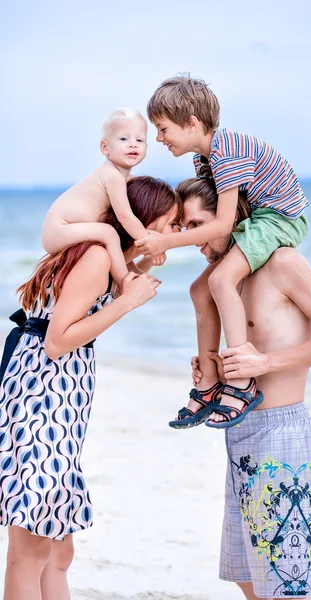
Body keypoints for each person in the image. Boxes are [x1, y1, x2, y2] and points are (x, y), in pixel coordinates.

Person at [175, 174, 311, 598]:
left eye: (197, 225)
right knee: (246, 574)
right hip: (241, 433)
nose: (193, 240)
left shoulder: (283, 262)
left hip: (284, 434)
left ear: (229, 216)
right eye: (184, 230)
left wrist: (264, 362)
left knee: (286, 585)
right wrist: (217, 371)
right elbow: (252, 354)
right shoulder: (227, 280)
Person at [0, 176, 181, 600]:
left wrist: (145, 264)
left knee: (58, 551)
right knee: (30, 548)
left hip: (57, 396)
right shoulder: (98, 257)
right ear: (141, 220)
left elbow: (124, 280)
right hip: (42, 396)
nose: (177, 234)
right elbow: (58, 340)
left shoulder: (107, 257)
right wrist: (126, 303)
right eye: (171, 224)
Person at [136, 75, 309, 427]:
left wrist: (166, 242)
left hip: (279, 218)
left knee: (221, 282)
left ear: (192, 123)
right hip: (256, 218)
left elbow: (221, 225)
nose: (159, 138)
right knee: (199, 288)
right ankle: (210, 381)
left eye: (163, 128)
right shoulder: (206, 160)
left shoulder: (225, 153)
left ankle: (241, 379)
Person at [41, 108, 165, 291]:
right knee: (108, 232)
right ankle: (124, 283)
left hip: (68, 229)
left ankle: (134, 274)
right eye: (124, 139)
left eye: (139, 140)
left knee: (113, 237)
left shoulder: (126, 179)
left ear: (146, 147)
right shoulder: (112, 175)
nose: (133, 145)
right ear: (104, 147)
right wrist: (151, 244)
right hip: (59, 229)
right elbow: (125, 217)